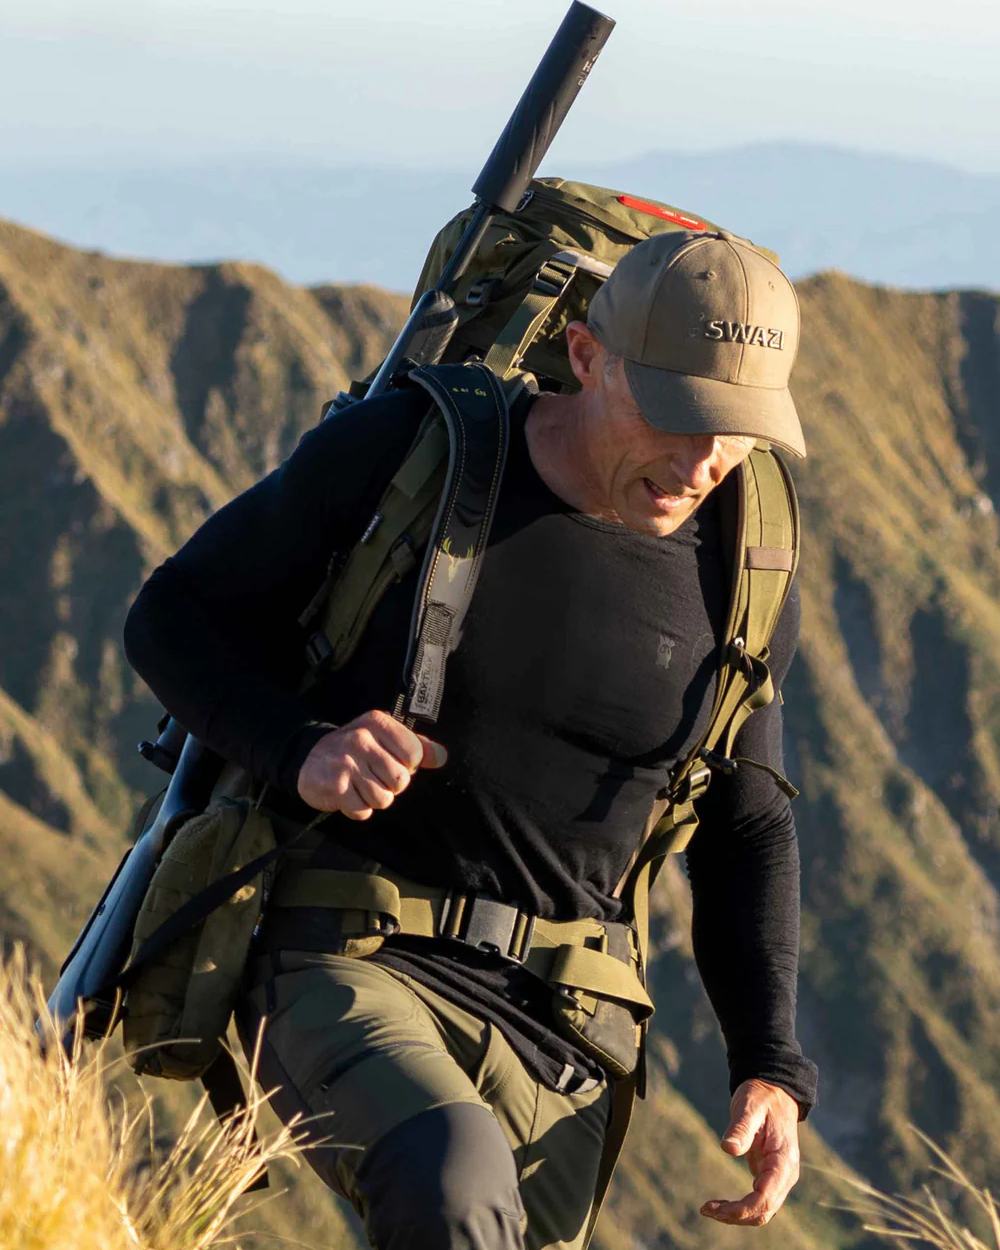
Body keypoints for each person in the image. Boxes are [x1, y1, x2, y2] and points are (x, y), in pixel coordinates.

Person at [123, 229, 818, 1250]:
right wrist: (300, 746)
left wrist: (770, 1062)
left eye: (736, 431)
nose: (701, 462)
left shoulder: (748, 560)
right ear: (586, 356)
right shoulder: (416, 454)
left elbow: (746, 824)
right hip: (345, 946)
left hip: (565, 1021)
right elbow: (172, 616)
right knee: (450, 1182)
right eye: (673, 414)